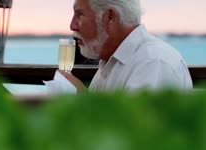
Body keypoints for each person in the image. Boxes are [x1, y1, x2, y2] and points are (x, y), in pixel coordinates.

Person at [61, 0, 193, 92]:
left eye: (80, 15)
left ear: (110, 17)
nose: (72, 25)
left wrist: (83, 103)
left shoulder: (154, 62)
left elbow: (135, 131)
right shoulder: (110, 62)